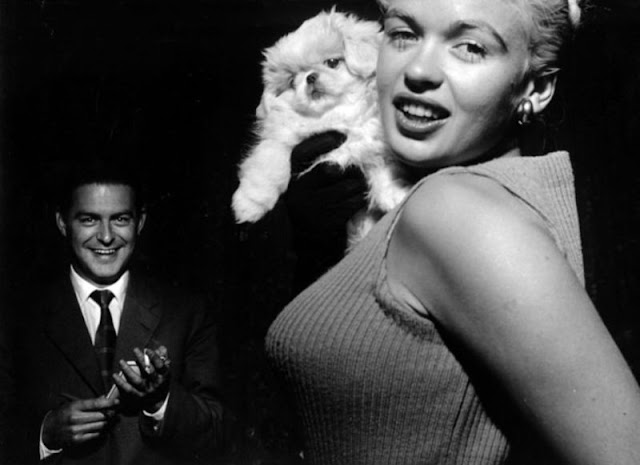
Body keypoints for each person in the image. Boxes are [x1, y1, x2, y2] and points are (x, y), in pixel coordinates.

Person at [266, 0, 640, 463]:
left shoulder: (452, 209)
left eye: (470, 47)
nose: (418, 70)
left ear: (537, 87)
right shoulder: (485, 197)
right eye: (403, 34)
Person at [0, 162, 224, 464]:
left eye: (120, 219)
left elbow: (218, 434)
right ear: (63, 223)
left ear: (140, 222)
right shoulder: (16, 317)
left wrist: (161, 401)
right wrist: (46, 434)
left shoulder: (187, 312)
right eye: (89, 219)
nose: (106, 237)